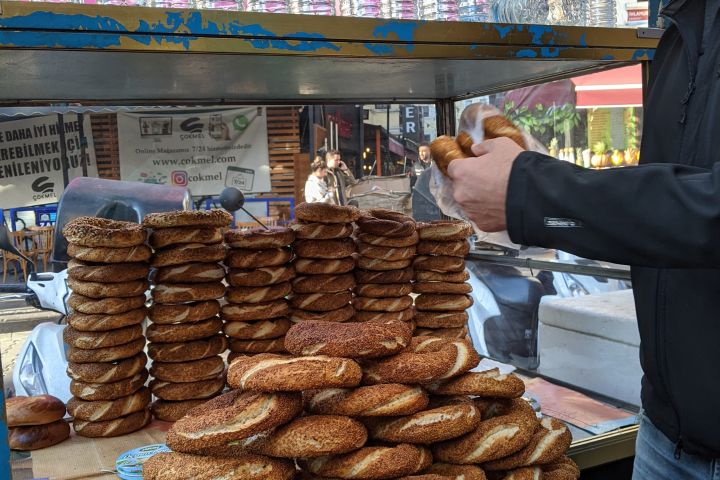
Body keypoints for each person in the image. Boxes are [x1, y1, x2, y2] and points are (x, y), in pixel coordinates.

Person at [447, 2, 720, 478]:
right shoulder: (682, 25)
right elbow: (672, 194)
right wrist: (539, 187)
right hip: (664, 432)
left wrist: (533, 192)